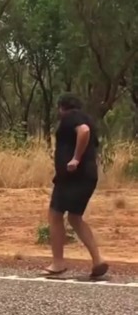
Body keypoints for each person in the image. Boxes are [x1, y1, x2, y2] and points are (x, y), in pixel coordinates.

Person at [41, 93, 109, 278]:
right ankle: (98, 260)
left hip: (73, 177)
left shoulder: (71, 117)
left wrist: (75, 159)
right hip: (88, 176)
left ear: (61, 107)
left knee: (55, 214)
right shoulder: (86, 118)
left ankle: (58, 263)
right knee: (75, 218)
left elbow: (84, 131)